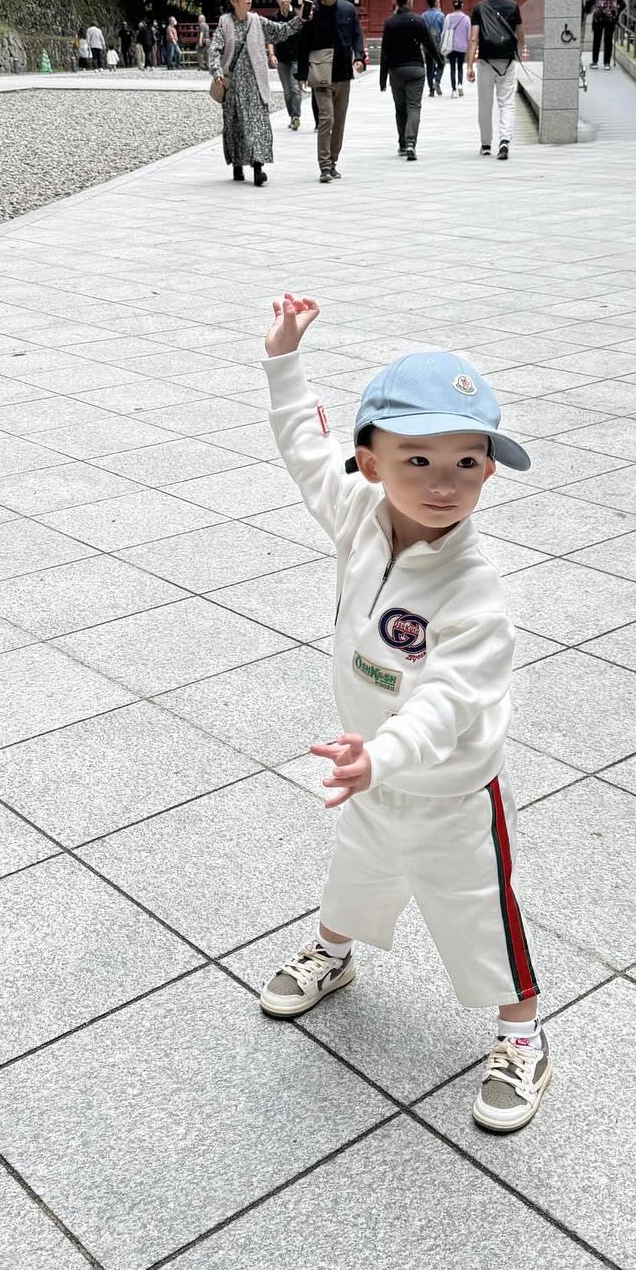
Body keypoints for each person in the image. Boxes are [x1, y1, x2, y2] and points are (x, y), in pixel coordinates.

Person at [258, 292, 548, 1135]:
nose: (443, 484)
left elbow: (451, 702)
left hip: (451, 793)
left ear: (491, 469)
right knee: (356, 873)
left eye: (467, 462)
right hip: (370, 773)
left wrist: (382, 755)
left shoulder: (477, 594)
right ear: (372, 460)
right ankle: (334, 955)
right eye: (416, 459)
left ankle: (521, 1034)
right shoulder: (356, 511)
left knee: (479, 914)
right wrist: (282, 360)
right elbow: (303, 448)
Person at [208, 0, 302, 186]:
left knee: (258, 124)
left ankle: (258, 167)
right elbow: (214, 49)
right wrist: (216, 71)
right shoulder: (225, 23)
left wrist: (300, 19)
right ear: (232, 0)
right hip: (232, 85)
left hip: (255, 83)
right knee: (235, 125)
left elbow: (282, 30)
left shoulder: (257, 21)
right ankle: (237, 164)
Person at [296, 0, 367, 183]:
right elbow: (303, 42)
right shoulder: (311, 11)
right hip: (320, 73)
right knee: (326, 118)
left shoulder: (347, 9)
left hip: (343, 72)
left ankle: (333, 162)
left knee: (339, 121)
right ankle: (324, 166)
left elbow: (357, 35)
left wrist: (358, 57)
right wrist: (301, 74)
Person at [467, 0, 525, 161]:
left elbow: (474, 39)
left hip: (485, 62)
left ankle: (485, 144)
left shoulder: (478, 8)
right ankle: (504, 141)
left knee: (485, 104)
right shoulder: (513, 6)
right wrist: (517, 54)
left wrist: (469, 65)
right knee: (507, 103)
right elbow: (520, 36)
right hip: (507, 61)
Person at [380, 0, 439, 160]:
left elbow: (385, 52)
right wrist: (439, 60)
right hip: (416, 69)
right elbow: (429, 44)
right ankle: (411, 142)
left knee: (400, 108)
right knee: (414, 107)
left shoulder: (390, 23)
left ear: (396, 1)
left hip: (396, 70)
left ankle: (402, 143)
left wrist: (383, 79)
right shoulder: (418, 20)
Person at [270, 0, 304, 128]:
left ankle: (296, 116)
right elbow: (270, 38)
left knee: (295, 88)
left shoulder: (297, 15)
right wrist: (271, 54)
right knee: (287, 91)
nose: (283, 0)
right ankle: (292, 117)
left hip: (297, 57)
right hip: (282, 59)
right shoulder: (274, 18)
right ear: (277, 1)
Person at [589, 0, 622, 69]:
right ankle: (606, 64)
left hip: (598, 17)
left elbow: (590, 1)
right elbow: (623, 4)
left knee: (597, 40)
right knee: (608, 40)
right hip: (610, 18)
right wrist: (616, 13)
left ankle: (595, 62)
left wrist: (588, 10)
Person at [442, 0, 471, 96]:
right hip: (462, 47)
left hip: (451, 47)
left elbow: (444, 32)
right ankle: (460, 85)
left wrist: (442, 44)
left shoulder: (448, 17)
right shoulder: (466, 18)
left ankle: (453, 90)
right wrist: (468, 47)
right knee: (460, 67)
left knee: (452, 68)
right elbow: (468, 36)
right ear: (462, 5)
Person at [421, 0, 446, 96]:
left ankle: (431, 89)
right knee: (441, 63)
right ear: (435, 3)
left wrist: (422, 46)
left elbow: (421, 32)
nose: (439, 2)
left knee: (429, 66)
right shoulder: (441, 15)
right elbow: (444, 31)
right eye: (438, 1)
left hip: (427, 45)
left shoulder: (423, 16)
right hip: (438, 45)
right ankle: (437, 81)